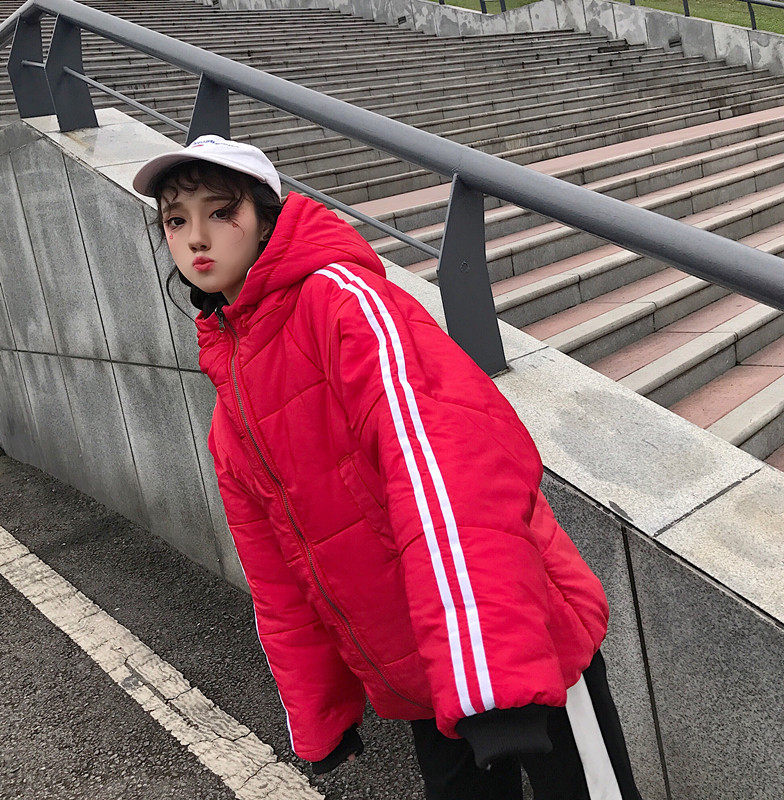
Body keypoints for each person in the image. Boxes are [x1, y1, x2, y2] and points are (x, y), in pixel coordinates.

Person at [133, 134, 644, 800]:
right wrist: (320, 714)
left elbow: (449, 466)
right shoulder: (234, 398)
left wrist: (489, 675)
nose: (197, 238)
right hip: (417, 675)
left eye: (221, 212)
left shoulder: (343, 304)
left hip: (521, 646)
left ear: (263, 218)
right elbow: (278, 574)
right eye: (176, 221)